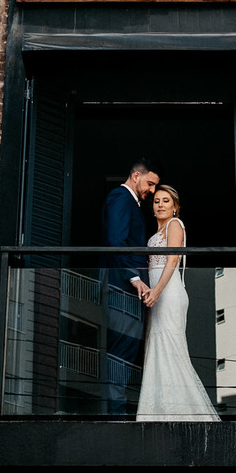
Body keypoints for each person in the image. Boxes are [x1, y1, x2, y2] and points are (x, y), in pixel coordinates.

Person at [137, 185, 220, 422]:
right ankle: (158, 412)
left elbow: (172, 259)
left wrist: (158, 291)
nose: (160, 205)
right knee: (157, 346)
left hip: (169, 292)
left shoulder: (175, 225)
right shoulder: (155, 233)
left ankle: (184, 413)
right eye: (156, 201)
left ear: (175, 207)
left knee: (171, 346)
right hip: (155, 292)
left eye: (166, 201)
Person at [101, 157, 159, 416]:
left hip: (128, 287)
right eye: (150, 183)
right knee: (121, 350)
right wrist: (134, 278)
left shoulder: (132, 203)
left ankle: (119, 408)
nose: (153, 191)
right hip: (122, 285)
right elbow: (116, 241)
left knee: (128, 348)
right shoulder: (120, 197)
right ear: (136, 176)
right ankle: (116, 413)